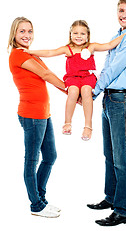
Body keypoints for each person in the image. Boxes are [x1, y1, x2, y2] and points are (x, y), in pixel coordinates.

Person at [87, 0, 126, 226]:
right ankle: (111, 198)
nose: (124, 14)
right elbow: (107, 66)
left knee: (122, 158)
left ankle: (123, 211)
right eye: (121, 10)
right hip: (110, 98)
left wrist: (93, 91)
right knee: (109, 155)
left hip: (121, 99)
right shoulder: (117, 36)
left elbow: (114, 68)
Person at [25, 20, 126, 141]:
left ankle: (88, 126)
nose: (79, 36)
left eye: (82, 34)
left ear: (87, 35)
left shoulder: (91, 46)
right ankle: (67, 123)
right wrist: (30, 51)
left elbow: (108, 45)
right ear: (70, 35)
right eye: (75, 33)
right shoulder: (67, 49)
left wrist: (124, 35)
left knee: (86, 90)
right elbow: (50, 52)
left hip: (88, 77)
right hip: (73, 78)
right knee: (72, 91)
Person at [8, 17, 66, 218]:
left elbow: (48, 73)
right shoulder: (17, 55)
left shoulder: (30, 54)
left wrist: (70, 93)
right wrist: (70, 92)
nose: (26, 35)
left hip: (43, 113)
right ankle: (36, 206)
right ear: (14, 34)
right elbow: (47, 76)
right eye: (22, 31)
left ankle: (40, 199)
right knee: (31, 161)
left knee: (50, 156)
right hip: (32, 115)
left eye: (30, 31)